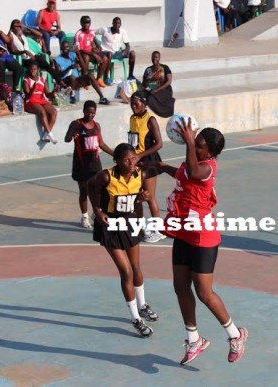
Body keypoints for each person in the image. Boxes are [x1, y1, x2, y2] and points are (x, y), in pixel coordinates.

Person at [155, 121, 248, 365]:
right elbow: (184, 173)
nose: (195, 148)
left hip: (203, 236)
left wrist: (187, 141)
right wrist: (163, 167)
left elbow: (194, 173)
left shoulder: (207, 167)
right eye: (195, 144)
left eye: (199, 146)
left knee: (204, 292)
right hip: (184, 231)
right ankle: (194, 339)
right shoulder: (191, 163)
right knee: (180, 286)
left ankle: (235, 335)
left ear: (210, 153)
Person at [87, 143, 160, 338]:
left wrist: (141, 198)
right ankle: (135, 317)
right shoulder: (106, 176)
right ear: (117, 161)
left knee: (136, 267)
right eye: (127, 160)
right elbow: (90, 186)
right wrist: (97, 210)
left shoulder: (140, 175)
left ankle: (142, 305)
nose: (132, 162)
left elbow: (133, 200)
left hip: (130, 224)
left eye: (134, 158)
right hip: (110, 227)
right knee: (126, 271)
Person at [65, 100, 114, 228]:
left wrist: (116, 154)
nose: (90, 115)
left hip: (95, 164)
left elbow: (101, 144)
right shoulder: (76, 124)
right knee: (84, 191)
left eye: (93, 113)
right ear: (84, 111)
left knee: (98, 190)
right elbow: (66, 138)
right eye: (88, 112)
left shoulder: (97, 126)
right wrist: (72, 135)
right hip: (81, 164)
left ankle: (96, 213)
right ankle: (84, 217)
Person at [128, 91, 165, 243]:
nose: (133, 107)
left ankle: (159, 230)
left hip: (148, 161)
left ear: (144, 104)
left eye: (136, 104)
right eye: (131, 104)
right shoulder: (132, 118)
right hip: (135, 162)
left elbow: (159, 144)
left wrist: (140, 155)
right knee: (137, 198)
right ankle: (140, 226)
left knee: (149, 197)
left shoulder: (151, 120)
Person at [54, 41, 110, 105]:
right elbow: (58, 75)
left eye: (67, 47)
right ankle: (72, 96)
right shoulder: (57, 59)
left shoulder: (72, 55)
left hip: (76, 81)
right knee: (72, 77)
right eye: (64, 48)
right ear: (61, 49)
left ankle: (102, 98)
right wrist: (69, 68)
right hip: (65, 83)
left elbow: (84, 68)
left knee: (90, 75)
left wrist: (78, 54)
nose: (66, 49)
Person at [8, 19, 61, 85]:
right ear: (12, 27)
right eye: (16, 26)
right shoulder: (11, 36)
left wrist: (26, 27)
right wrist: (24, 52)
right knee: (35, 64)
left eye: (19, 26)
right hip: (22, 59)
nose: (18, 28)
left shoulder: (22, 33)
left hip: (32, 55)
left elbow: (40, 35)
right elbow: (11, 51)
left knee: (46, 64)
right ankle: (34, 84)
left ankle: (59, 81)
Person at [23, 60, 58, 143]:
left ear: (38, 70)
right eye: (31, 69)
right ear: (28, 70)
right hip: (31, 101)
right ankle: (50, 134)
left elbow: (48, 94)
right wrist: (32, 89)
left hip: (41, 100)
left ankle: (45, 134)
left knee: (54, 111)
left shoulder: (42, 80)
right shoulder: (26, 81)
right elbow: (27, 96)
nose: (33, 71)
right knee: (42, 112)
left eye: (34, 69)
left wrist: (53, 92)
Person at [97, 17, 136, 84]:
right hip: (105, 52)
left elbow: (128, 45)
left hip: (116, 52)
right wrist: (96, 45)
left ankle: (130, 75)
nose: (118, 25)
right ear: (112, 23)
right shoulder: (105, 30)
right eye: (116, 23)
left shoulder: (123, 31)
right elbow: (91, 33)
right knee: (110, 54)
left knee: (132, 53)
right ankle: (106, 78)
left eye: (119, 23)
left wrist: (126, 50)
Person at [75, 15, 109, 88]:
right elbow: (80, 49)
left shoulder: (92, 32)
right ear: (81, 23)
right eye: (84, 23)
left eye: (88, 22)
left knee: (105, 58)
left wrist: (98, 47)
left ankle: (98, 79)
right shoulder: (79, 34)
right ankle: (83, 80)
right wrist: (94, 54)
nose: (86, 24)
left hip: (91, 53)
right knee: (86, 57)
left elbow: (94, 40)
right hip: (82, 53)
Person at [142, 51, 175, 118]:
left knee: (152, 97)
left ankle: (165, 113)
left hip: (163, 89)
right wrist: (146, 88)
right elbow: (144, 83)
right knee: (148, 97)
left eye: (156, 57)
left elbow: (169, 81)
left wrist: (157, 90)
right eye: (153, 57)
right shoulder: (148, 70)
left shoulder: (165, 68)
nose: (154, 58)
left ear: (159, 58)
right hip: (150, 90)